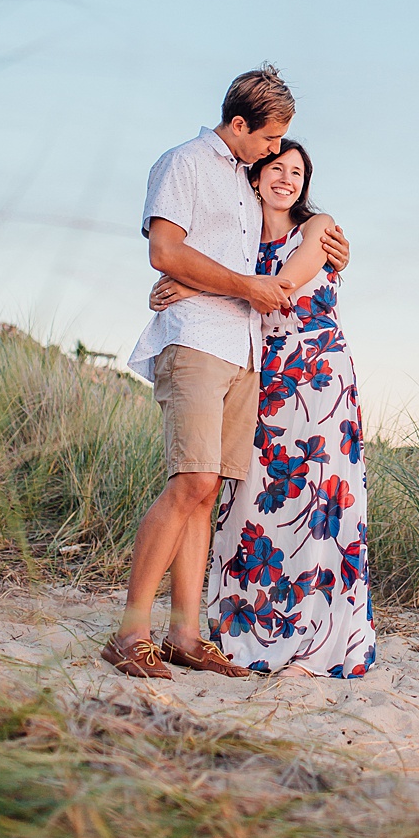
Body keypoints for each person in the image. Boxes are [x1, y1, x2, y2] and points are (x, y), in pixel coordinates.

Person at [101, 66, 349, 679]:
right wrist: (213, 283)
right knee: (191, 482)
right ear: (238, 124)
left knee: (208, 491)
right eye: (270, 141)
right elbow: (165, 250)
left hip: (244, 351)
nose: (276, 152)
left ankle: (186, 635)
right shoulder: (184, 163)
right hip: (195, 343)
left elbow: (245, 257)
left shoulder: (246, 181)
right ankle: (131, 633)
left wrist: (331, 246)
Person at [151, 139, 374, 678]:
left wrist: (188, 283)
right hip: (257, 372)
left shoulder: (320, 229)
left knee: (319, 502)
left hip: (317, 377)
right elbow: (233, 281)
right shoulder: (239, 244)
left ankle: (315, 637)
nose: (287, 178)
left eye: (297, 171)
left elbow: (280, 290)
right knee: (252, 501)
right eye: (277, 167)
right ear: (255, 177)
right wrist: (196, 280)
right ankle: (246, 624)